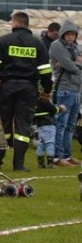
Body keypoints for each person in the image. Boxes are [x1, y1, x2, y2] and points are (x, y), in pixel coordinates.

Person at [0, 12, 51, 172]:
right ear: (27, 24)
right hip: (28, 88)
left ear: (14, 23)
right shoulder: (38, 43)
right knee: (23, 126)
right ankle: (19, 164)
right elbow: (45, 71)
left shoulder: (4, 40)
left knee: (2, 125)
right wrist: (47, 90)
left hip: (7, 86)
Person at [48, 20, 80, 166]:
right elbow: (70, 66)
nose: (70, 37)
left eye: (73, 34)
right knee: (61, 124)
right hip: (64, 89)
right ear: (63, 34)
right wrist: (75, 64)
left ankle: (67, 156)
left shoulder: (76, 47)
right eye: (68, 34)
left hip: (77, 90)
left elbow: (71, 65)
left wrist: (73, 64)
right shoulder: (57, 46)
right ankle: (56, 156)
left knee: (70, 126)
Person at [34, 92, 64, 168]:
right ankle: (50, 163)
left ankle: (40, 164)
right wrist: (60, 108)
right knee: (50, 143)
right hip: (48, 124)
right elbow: (54, 110)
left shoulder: (36, 101)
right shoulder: (45, 100)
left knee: (41, 143)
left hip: (40, 125)